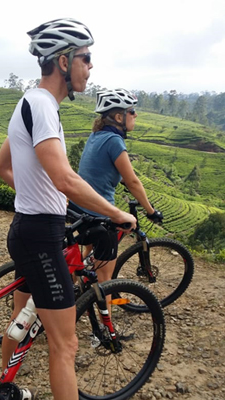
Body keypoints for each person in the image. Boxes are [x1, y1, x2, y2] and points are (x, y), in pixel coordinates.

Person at [0, 20, 137, 400]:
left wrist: (43, 198)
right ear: (63, 61)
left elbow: (2, 168)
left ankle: (0, 386)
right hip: (41, 235)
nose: (90, 67)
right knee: (66, 345)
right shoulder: (43, 106)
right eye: (85, 58)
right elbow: (65, 178)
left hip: (26, 228)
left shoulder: (27, 101)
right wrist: (117, 213)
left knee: (21, 320)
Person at [68, 88, 163, 310]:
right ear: (119, 117)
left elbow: (101, 170)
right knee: (106, 280)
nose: (136, 115)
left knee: (86, 256)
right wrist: (150, 210)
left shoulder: (96, 136)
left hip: (79, 207)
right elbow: (132, 182)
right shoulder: (114, 141)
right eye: (132, 111)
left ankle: (77, 288)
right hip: (99, 213)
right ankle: (107, 329)